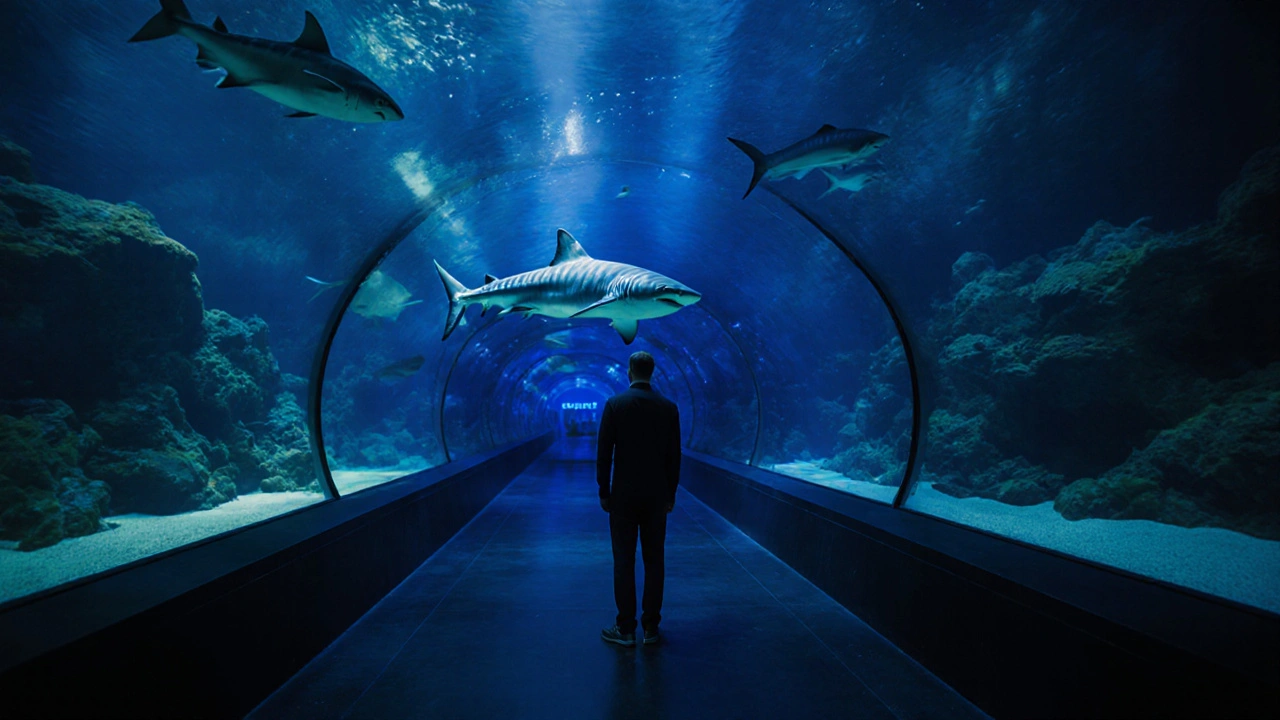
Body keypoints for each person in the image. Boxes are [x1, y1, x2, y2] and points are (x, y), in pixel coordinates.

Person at [597, 351, 681, 648]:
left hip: (623, 496)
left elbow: (604, 453)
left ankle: (626, 629)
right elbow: (674, 457)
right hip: (656, 496)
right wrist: (671, 494)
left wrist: (604, 491)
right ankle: (651, 628)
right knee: (654, 560)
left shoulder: (615, 405)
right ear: (652, 372)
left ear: (629, 372)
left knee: (624, 560)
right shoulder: (668, 408)